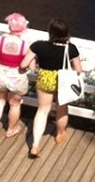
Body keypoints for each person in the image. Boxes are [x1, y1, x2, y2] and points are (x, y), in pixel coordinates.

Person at [22, 18, 82, 158]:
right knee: (61, 109)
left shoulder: (38, 46)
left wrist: (34, 62)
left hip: (44, 79)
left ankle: (35, 145)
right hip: (63, 81)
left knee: (42, 110)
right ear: (66, 33)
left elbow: (24, 63)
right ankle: (60, 133)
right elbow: (78, 70)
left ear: (50, 32)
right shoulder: (71, 48)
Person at [0, 12, 29, 143]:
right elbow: (30, 66)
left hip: (0, 76)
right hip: (17, 79)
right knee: (14, 105)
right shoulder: (25, 45)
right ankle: (11, 129)